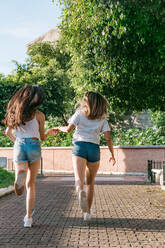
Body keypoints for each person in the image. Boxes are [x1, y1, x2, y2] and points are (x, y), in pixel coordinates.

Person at [3, 84, 57, 228]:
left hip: (20, 145)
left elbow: (7, 132)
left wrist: (17, 142)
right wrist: (50, 133)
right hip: (34, 145)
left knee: (21, 174)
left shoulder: (15, 112)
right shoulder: (39, 115)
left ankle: (19, 175)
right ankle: (28, 218)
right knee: (31, 185)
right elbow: (42, 137)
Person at [56, 92, 116, 221]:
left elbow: (68, 129)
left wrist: (57, 128)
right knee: (90, 182)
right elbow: (108, 138)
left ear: (86, 102)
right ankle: (87, 213)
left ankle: (80, 191)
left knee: (79, 179)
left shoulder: (79, 114)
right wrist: (112, 154)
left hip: (80, 147)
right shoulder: (102, 119)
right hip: (94, 149)